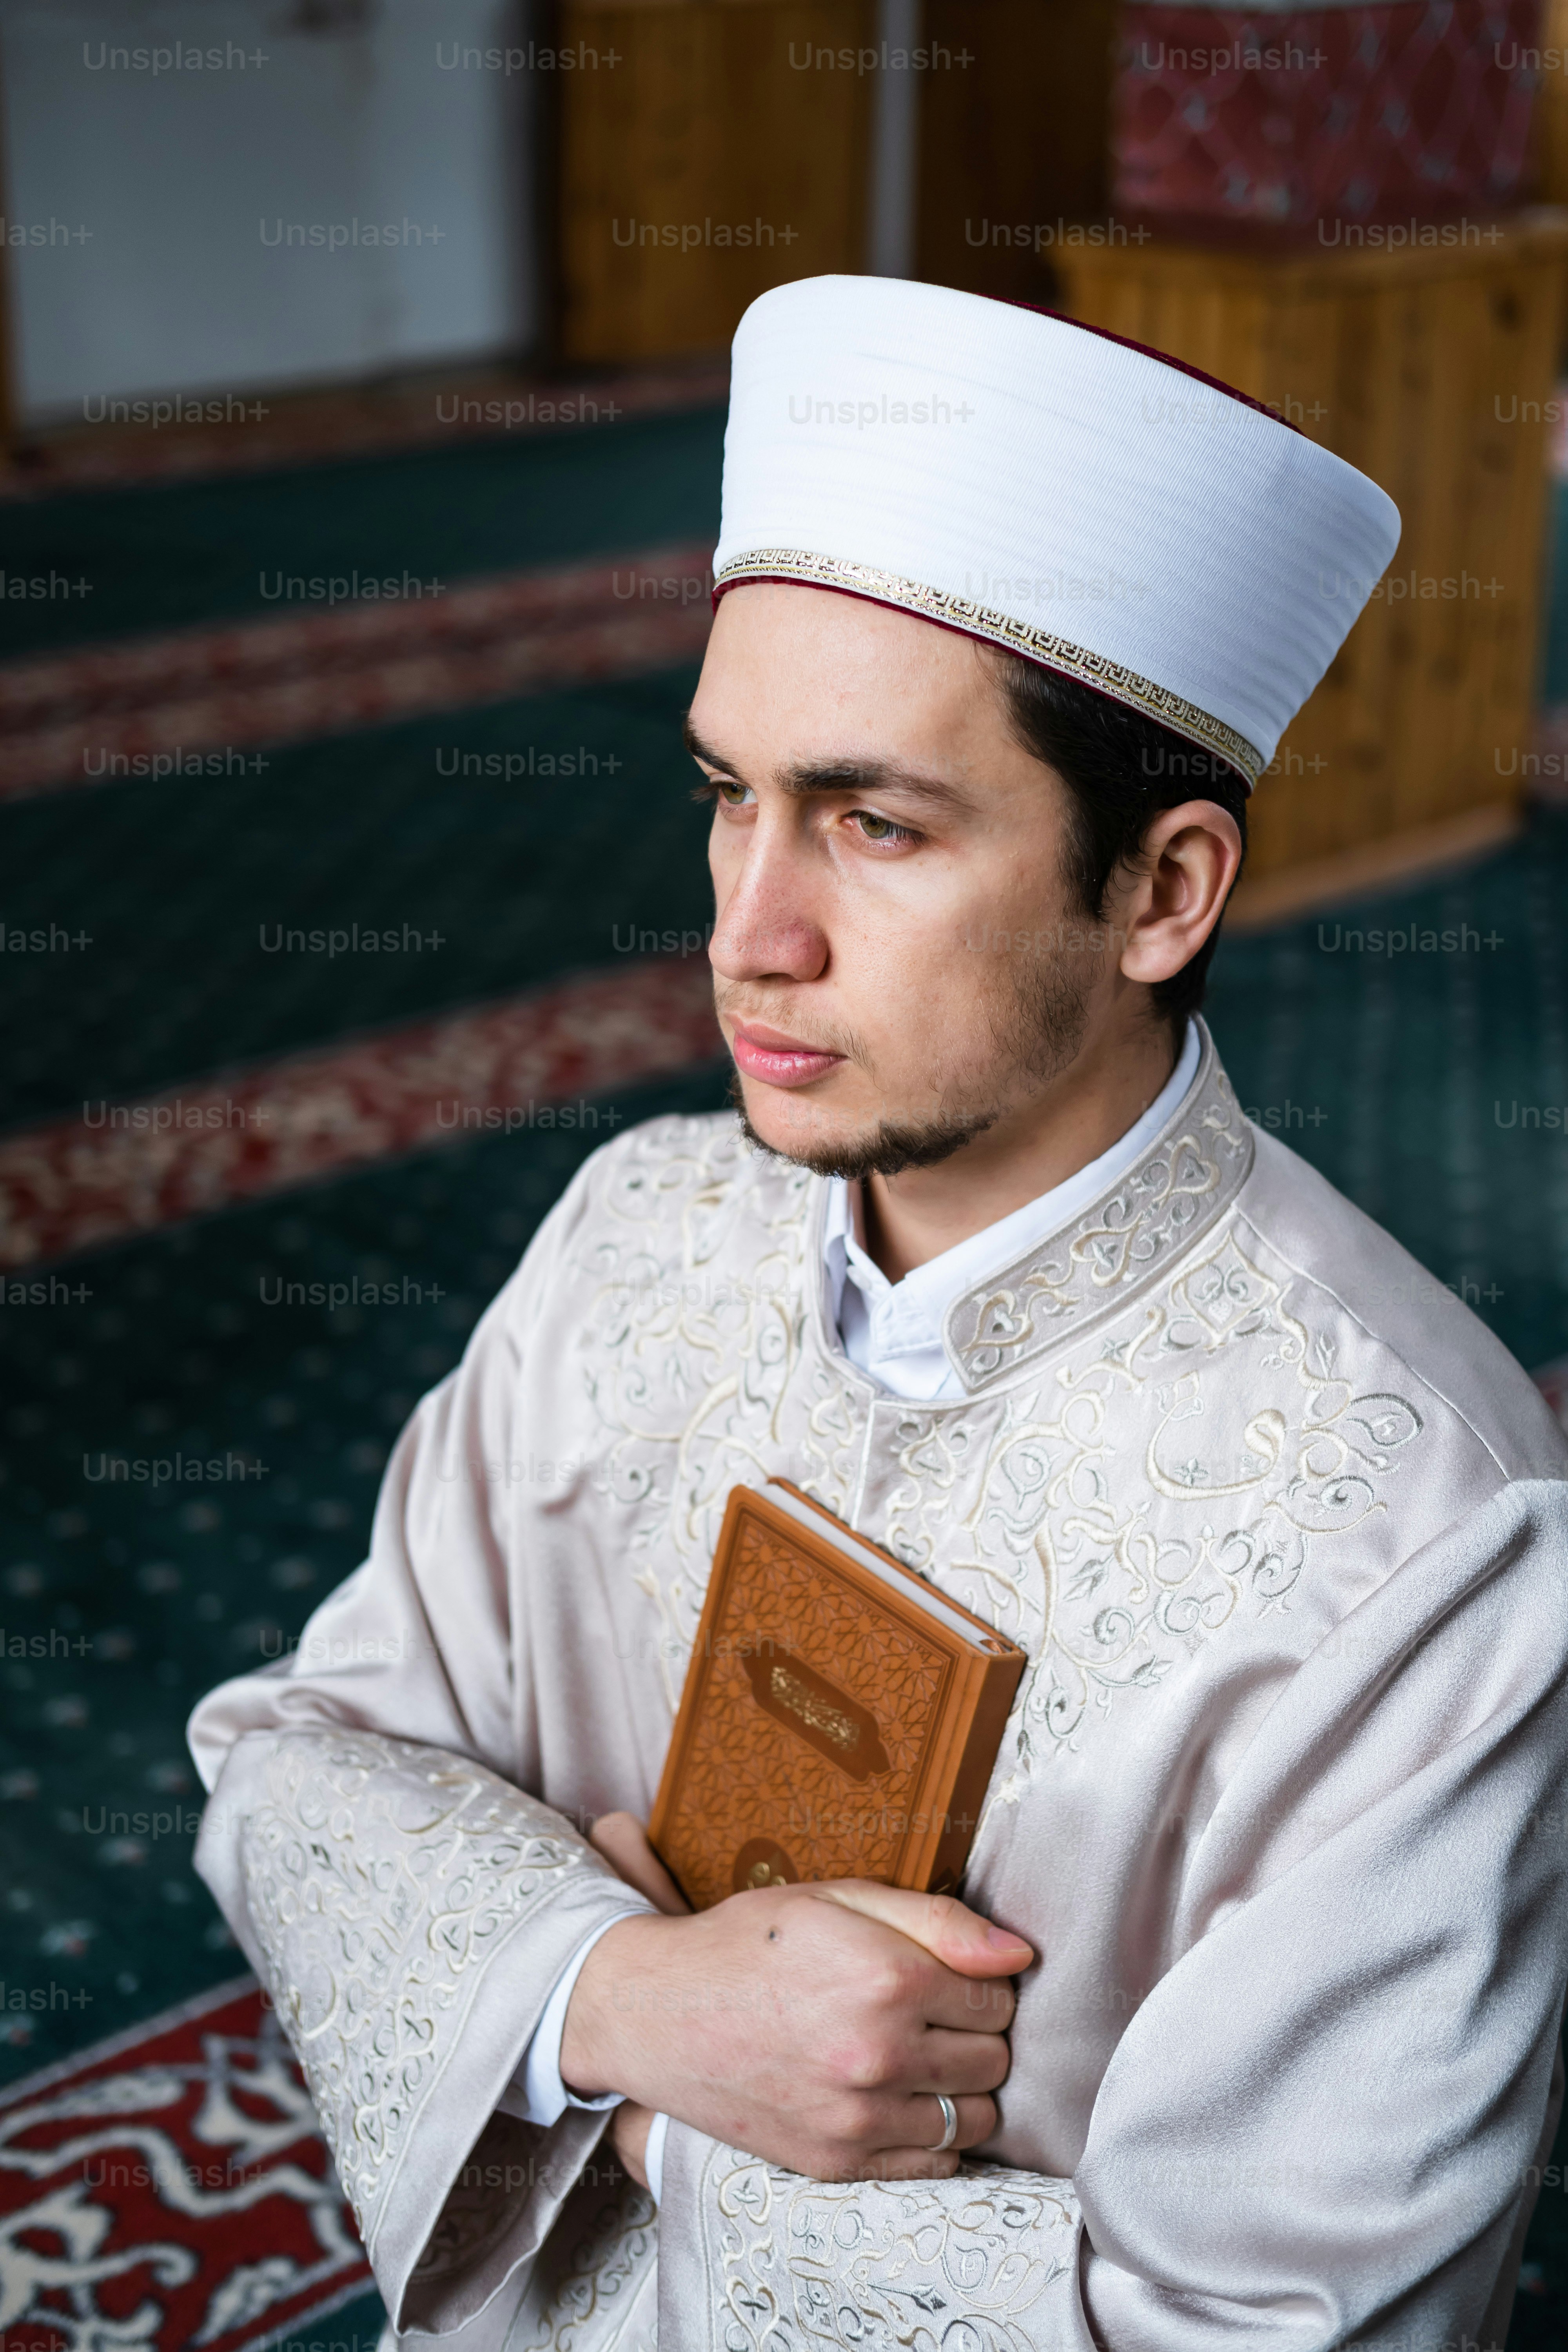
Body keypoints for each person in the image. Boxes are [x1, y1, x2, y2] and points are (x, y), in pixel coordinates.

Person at [189, 276, 1568, 2352]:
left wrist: (671, 2135)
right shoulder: (641, 1226)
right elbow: (297, 1760)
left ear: (1162, 893)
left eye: (876, 822)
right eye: (726, 796)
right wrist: (622, 1997)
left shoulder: (1426, 1545)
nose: (750, 935)